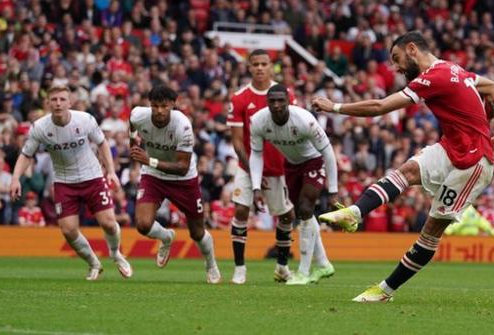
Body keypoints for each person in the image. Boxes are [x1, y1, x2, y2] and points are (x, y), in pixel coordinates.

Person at [312, 31, 494, 302]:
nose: (396, 67)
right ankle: (354, 213)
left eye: (397, 58)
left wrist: (334, 106)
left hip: (475, 162)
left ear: (412, 49)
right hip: (451, 146)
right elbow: (493, 88)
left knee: (431, 230)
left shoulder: (433, 76)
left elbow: (380, 106)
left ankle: (385, 291)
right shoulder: (454, 69)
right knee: (406, 171)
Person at [10, 85, 132, 281]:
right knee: (68, 229)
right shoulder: (40, 127)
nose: (58, 103)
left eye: (62, 99)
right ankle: (94, 263)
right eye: (54, 99)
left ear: (70, 102)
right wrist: (15, 178)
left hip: (92, 177)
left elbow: (102, 143)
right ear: (48, 103)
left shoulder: (84, 120)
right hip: (64, 182)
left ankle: (116, 253)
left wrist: (110, 171)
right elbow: (26, 154)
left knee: (109, 223)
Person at [128, 84, 221, 284]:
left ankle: (211, 264)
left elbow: (182, 167)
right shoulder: (138, 115)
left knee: (197, 232)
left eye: (164, 106)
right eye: (155, 106)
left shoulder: (183, 127)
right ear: (149, 104)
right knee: (143, 225)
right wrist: (132, 143)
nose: (160, 111)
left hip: (183, 179)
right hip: (153, 175)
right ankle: (166, 237)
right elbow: (132, 125)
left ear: (173, 104)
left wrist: (148, 160)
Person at [250, 84, 337, 285]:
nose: (277, 105)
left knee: (306, 209)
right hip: (290, 166)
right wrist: (256, 188)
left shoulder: (305, 120)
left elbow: (328, 152)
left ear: (289, 101)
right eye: (272, 101)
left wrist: (333, 190)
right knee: (303, 215)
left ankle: (303, 273)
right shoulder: (258, 122)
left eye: (281, 100)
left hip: (314, 160)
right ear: (267, 103)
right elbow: (256, 154)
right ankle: (324, 264)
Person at [226, 49, 297, 284]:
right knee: (240, 211)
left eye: (263, 63)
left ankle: (282, 266)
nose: (259, 68)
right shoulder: (239, 98)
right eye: (255, 64)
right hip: (247, 167)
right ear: (248, 67)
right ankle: (239, 268)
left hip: (278, 169)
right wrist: (254, 172)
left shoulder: (285, 94)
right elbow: (237, 141)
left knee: (286, 216)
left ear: (271, 66)